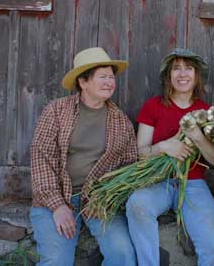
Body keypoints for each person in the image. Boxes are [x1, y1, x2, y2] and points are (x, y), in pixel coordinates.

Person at [30, 47, 137, 266]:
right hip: (57, 199)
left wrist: (107, 198)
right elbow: (41, 159)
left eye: (111, 77)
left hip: (98, 202)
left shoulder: (120, 120)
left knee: (123, 254)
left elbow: (129, 166)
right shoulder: (57, 111)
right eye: (102, 77)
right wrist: (58, 206)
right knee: (57, 261)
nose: (109, 82)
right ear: (83, 82)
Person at [125, 48, 214, 266]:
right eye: (176, 69)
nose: (182, 74)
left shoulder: (206, 112)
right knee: (137, 204)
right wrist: (163, 147)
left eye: (188, 68)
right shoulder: (153, 106)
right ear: (168, 76)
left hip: (193, 184)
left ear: (196, 75)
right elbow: (140, 152)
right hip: (158, 181)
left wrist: (198, 137)